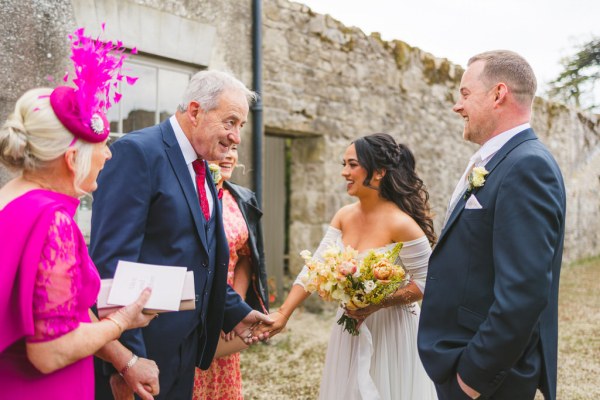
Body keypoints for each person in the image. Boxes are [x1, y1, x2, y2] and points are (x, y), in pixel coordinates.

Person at [90, 69, 273, 400]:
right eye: (230, 122)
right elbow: (112, 266)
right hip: (142, 354)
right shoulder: (139, 153)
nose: (237, 137)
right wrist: (126, 362)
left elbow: (195, 259)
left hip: (183, 352)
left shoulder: (201, 165)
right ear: (195, 111)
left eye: (241, 126)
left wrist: (236, 312)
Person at [0, 33, 161, 399]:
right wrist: (121, 320)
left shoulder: (11, 198)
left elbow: (51, 306)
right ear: (73, 159)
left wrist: (124, 360)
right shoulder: (53, 220)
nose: (107, 155)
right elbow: (49, 351)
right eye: (101, 146)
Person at [417, 50, 566, 400]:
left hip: (490, 378)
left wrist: (471, 379)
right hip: (465, 360)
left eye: (465, 93)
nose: (457, 105)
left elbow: (524, 293)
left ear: (498, 94)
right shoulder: (504, 159)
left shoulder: (527, 166)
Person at [258, 133, 438, 399]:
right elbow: (315, 268)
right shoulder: (343, 216)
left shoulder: (402, 224)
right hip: (349, 328)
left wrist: (378, 303)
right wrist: (283, 313)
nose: (344, 172)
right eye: (344, 164)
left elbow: (428, 281)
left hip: (391, 331)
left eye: (352, 164)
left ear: (378, 172)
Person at [193, 144, 269, 399]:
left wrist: (232, 310)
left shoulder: (241, 198)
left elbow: (247, 257)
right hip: (194, 304)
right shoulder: (191, 195)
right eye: (221, 147)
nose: (229, 155)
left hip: (228, 305)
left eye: (234, 148)